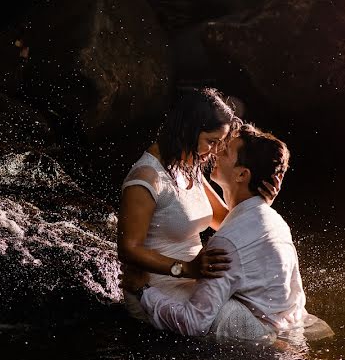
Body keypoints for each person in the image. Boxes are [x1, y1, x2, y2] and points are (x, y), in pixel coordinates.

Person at [137, 123, 332, 342]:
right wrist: (263, 202)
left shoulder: (226, 243)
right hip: (291, 326)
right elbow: (235, 221)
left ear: (242, 174)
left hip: (258, 346)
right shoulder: (275, 221)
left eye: (226, 151)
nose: (216, 151)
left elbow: (193, 323)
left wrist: (143, 292)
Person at [117, 87, 279, 324]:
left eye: (220, 143)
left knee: (265, 313)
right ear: (188, 130)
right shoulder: (145, 178)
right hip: (156, 286)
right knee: (250, 327)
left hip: (196, 277)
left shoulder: (188, 166)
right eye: (211, 142)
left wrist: (260, 202)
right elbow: (128, 249)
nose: (214, 152)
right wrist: (185, 269)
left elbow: (224, 219)